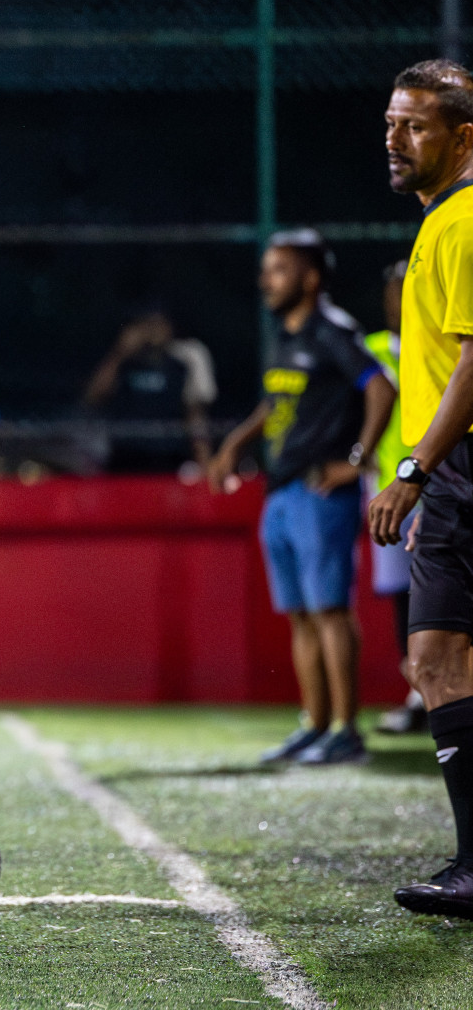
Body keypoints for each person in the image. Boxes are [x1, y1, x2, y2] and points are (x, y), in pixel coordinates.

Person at [209, 228, 396, 766]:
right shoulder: (286, 335)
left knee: (330, 610)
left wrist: (357, 459)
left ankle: (346, 730)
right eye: (267, 269)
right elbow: (275, 403)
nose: (267, 280)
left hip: (321, 492)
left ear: (310, 278)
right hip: (283, 490)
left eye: (280, 270)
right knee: (300, 615)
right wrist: (236, 443)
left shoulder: (332, 330)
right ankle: (314, 724)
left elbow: (381, 387)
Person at [368, 58, 473, 920]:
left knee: (436, 659)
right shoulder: (443, 220)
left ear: (463, 137)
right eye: (390, 125)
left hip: (459, 467)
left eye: (415, 126)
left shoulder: (464, 221)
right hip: (453, 475)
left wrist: (415, 471)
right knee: (443, 659)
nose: (395, 140)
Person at [367, 260, 429, 734]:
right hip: (386, 487)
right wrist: (356, 459)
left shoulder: (440, 344)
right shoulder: (367, 349)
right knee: (401, 595)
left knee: (442, 590)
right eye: (395, 292)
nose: (401, 302)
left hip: (437, 482)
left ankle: (440, 692)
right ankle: (416, 692)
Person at [83, 305, 216, 472]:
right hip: (126, 458)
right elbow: (93, 397)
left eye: (159, 324)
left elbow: (195, 417)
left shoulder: (180, 367)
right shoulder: (124, 365)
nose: (153, 331)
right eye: (148, 325)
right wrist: (120, 353)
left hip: (169, 458)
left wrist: (205, 462)